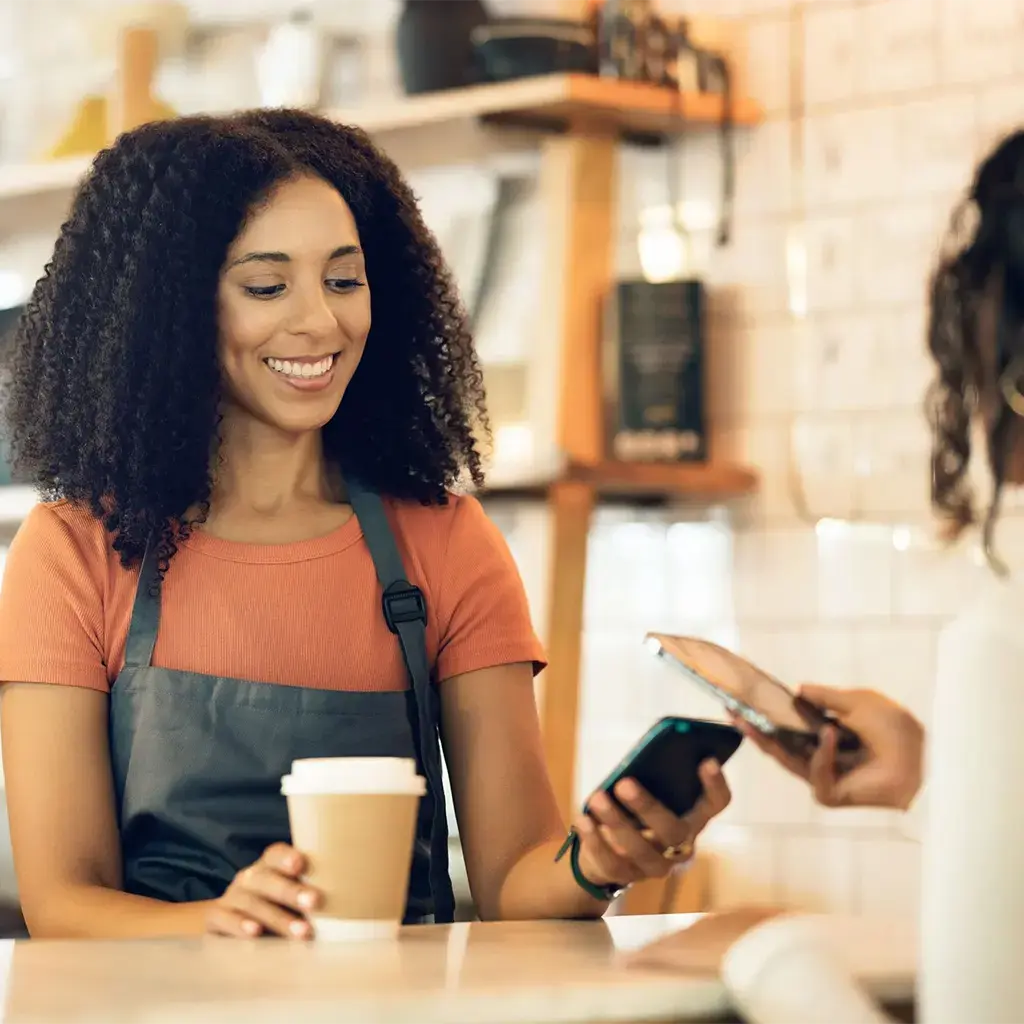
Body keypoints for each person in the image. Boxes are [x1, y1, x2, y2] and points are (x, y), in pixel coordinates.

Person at [0, 110, 731, 940]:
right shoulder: (73, 553)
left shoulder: (446, 543)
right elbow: (63, 901)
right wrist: (216, 923)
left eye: (344, 281)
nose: (321, 322)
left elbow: (513, 883)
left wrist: (599, 862)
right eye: (267, 286)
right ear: (166, 311)